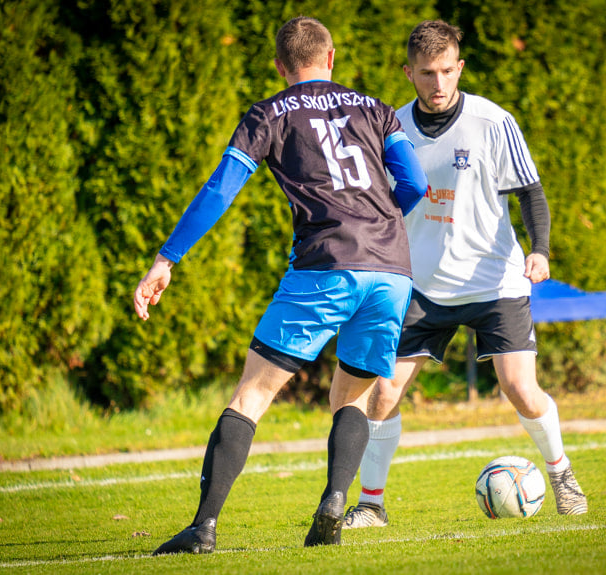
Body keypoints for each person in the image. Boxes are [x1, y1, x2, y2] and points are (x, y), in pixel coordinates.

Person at [134, 16, 427, 554]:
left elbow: (221, 188)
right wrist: (382, 227)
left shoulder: (268, 113)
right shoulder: (377, 109)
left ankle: (202, 529)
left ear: (279, 66)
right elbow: (414, 184)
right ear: (331, 57)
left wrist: (166, 258)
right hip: (391, 268)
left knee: (253, 393)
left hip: (325, 262)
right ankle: (336, 500)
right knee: (352, 397)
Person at [343, 20, 587, 529]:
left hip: (493, 280)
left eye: (447, 71)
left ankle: (561, 472)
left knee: (519, 387)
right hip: (420, 284)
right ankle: (371, 504)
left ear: (460, 68)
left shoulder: (493, 121)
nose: (438, 84)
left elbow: (531, 192)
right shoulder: (391, 127)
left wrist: (539, 251)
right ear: (408, 72)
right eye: (427, 73)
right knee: (383, 393)